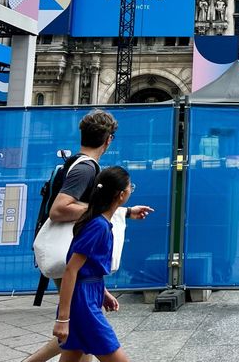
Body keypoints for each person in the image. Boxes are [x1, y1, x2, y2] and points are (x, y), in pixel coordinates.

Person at [25, 111, 153, 362]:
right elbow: (60, 209)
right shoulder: (85, 169)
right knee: (77, 326)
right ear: (109, 140)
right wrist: (104, 211)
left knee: (79, 340)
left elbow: (97, 208)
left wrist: (123, 211)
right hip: (72, 264)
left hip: (83, 272)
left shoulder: (80, 164)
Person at [53, 167, 133, 362]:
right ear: (121, 195)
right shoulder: (99, 226)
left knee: (72, 355)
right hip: (84, 303)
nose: (131, 190)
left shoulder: (97, 222)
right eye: (131, 187)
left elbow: (85, 267)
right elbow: (71, 269)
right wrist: (62, 319)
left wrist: (103, 292)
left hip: (88, 296)